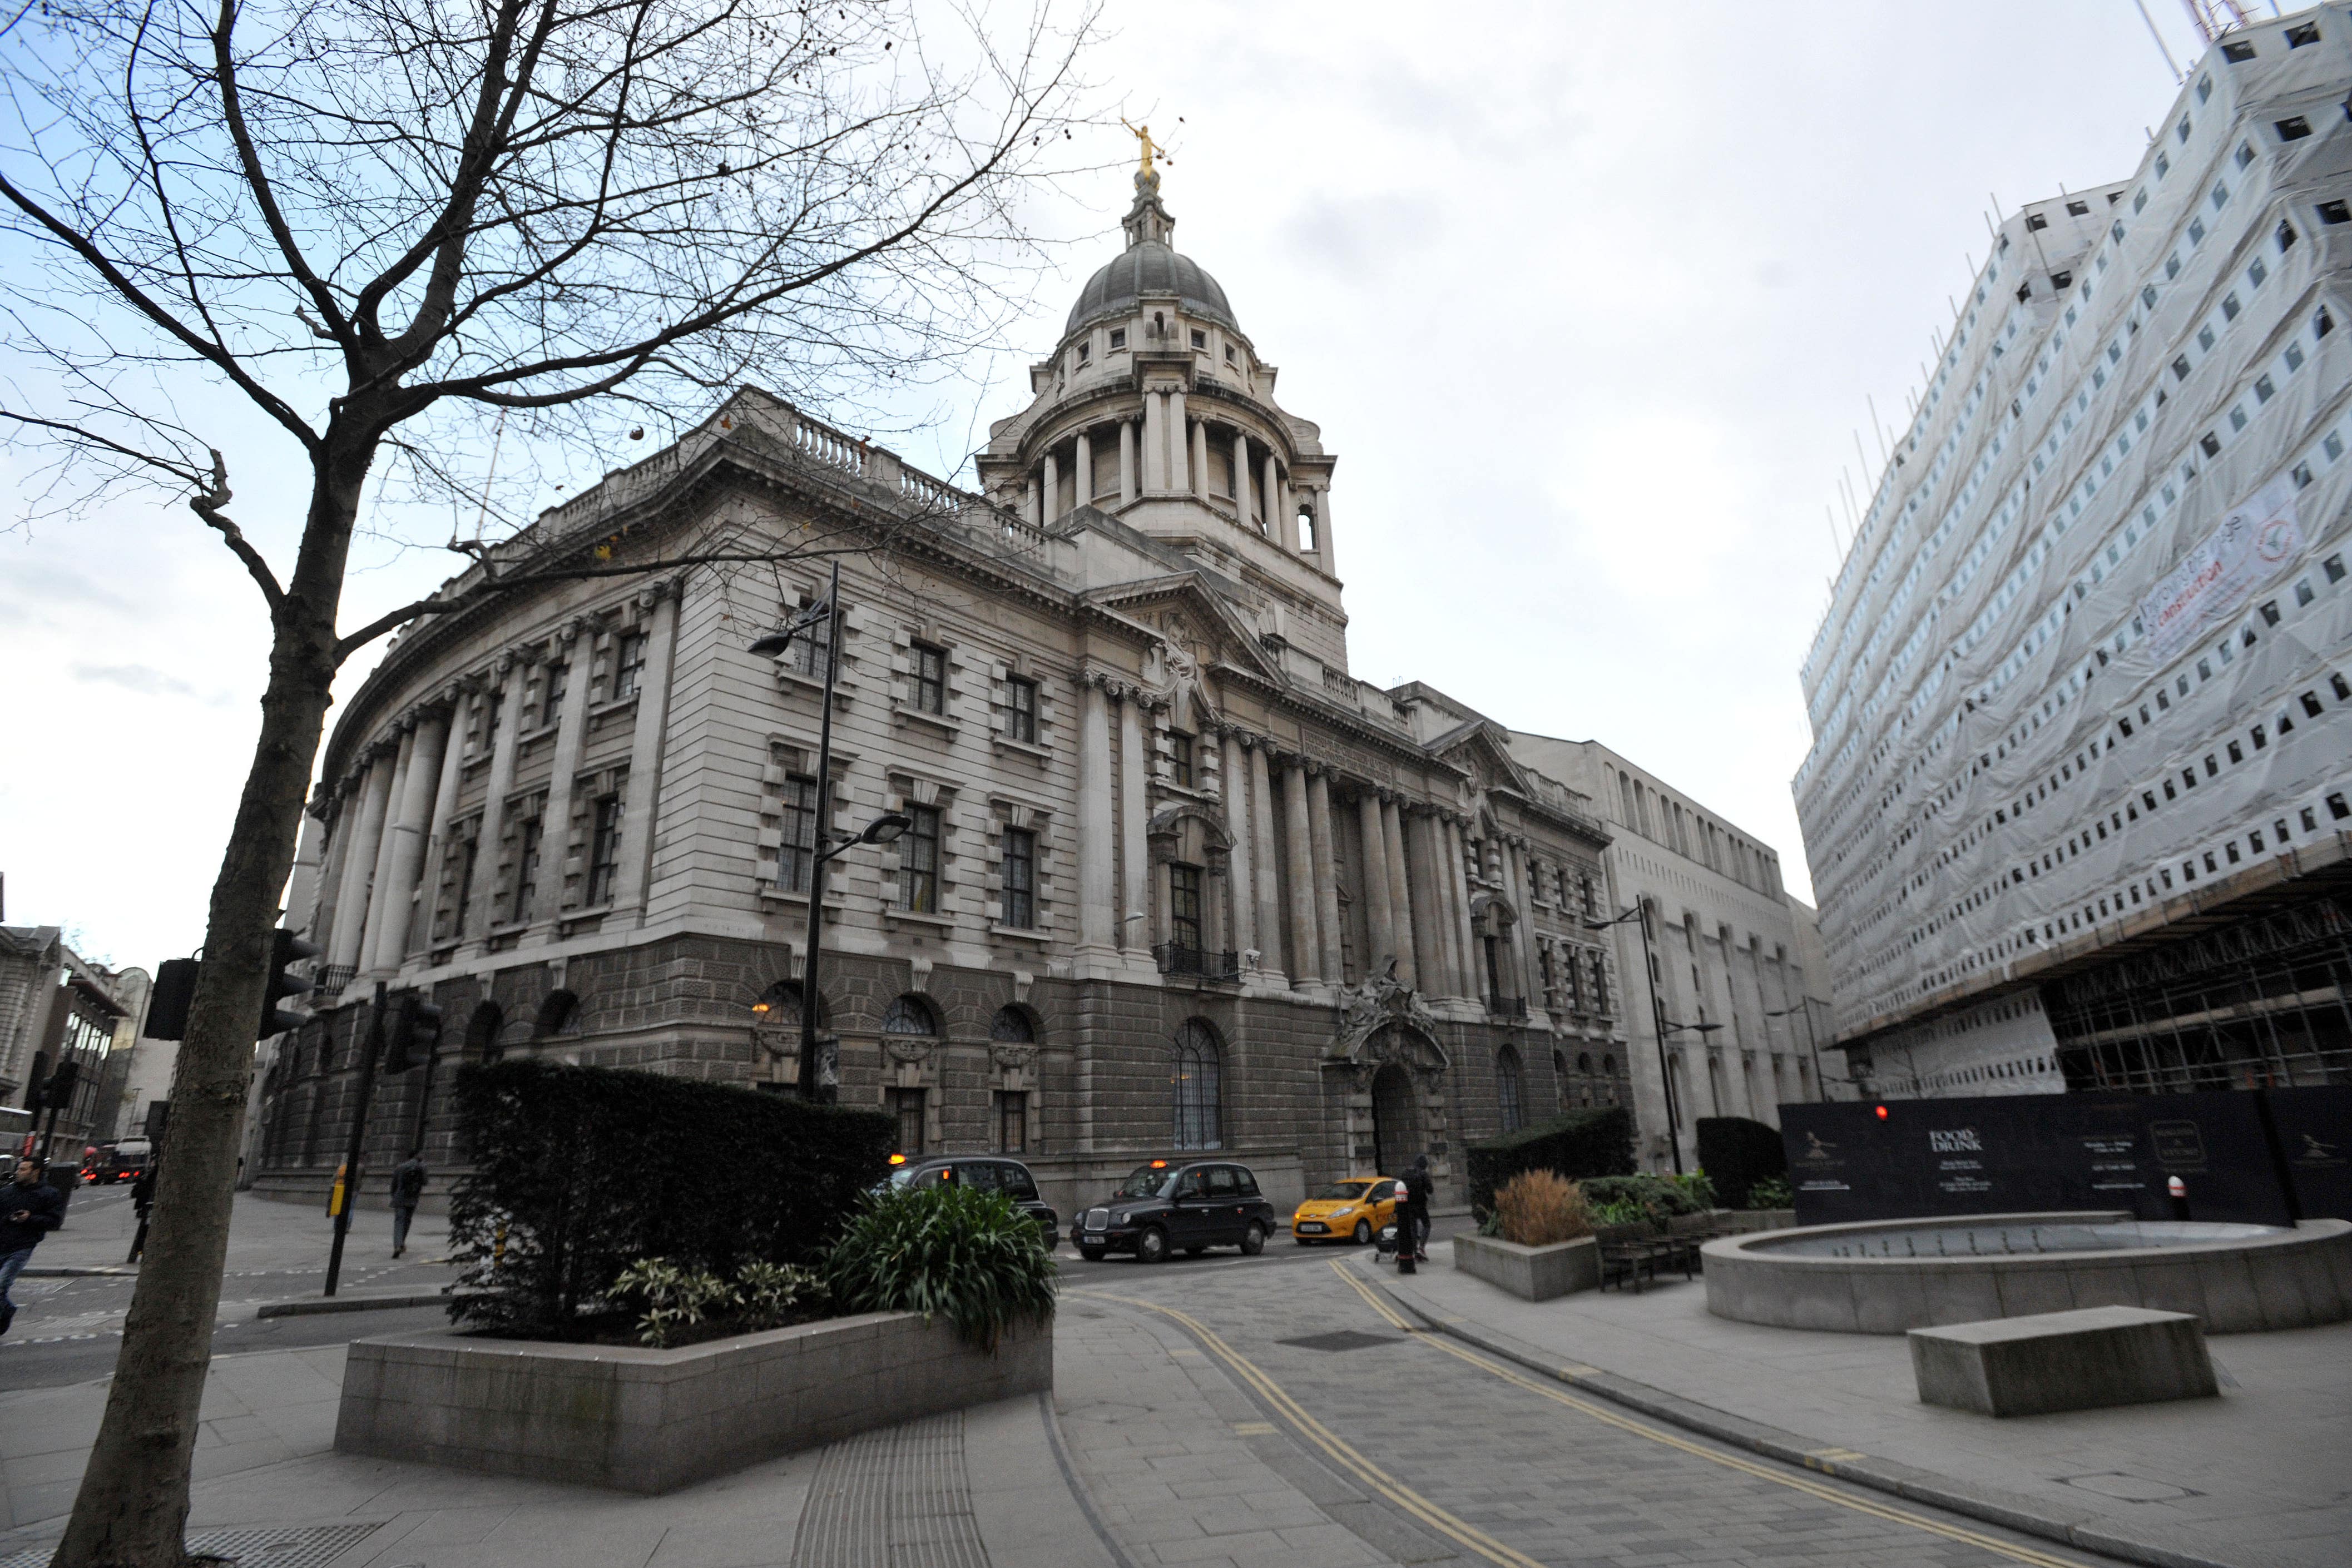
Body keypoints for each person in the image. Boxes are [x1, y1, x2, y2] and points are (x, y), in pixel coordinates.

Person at [0, 1157, 66, 1334]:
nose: (18, 1173)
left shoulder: (49, 1194)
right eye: (18, 1169)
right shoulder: (6, 1192)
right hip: (2, 1242)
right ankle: (6, 1310)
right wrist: (9, 1219)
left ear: (35, 1172)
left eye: (23, 1170)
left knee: (2, 1284)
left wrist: (30, 1219)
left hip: (22, 1246)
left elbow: (54, 1221)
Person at [389, 1153, 428, 1259]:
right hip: (413, 1198)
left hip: (400, 1197)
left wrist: (393, 1196)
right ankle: (402, 1243)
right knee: (407, 1221)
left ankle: (398, 1245)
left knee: (399, 1222)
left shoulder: (400, 1167)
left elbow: (394, 1185)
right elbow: (425, 1182)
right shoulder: (421, 1167)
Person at [1402, 1154, 1434, 1263]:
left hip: (1408, 1205)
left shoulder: (1406, 1173)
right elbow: (1430, 1190)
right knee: (1427, 1225)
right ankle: (1422, 1248)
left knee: (1413, 1227)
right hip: (1420, 1205)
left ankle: (1414, 1251)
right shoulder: (1423, 1174)